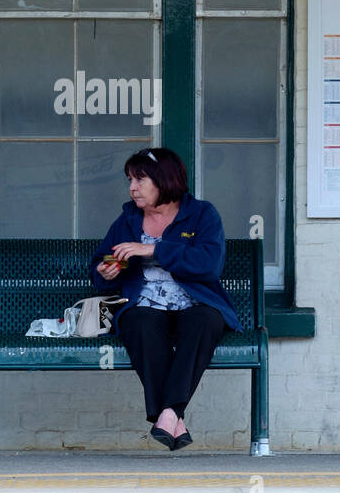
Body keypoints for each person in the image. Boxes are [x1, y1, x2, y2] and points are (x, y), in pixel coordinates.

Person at [90, 147, 243, 451]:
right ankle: (173, 416)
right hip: (145, 307)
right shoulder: (128, 220)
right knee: (138, 321)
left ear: (165, 180)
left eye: (140, 179)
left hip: (194, 304)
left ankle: (168, 413)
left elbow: (209, 264)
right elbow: (103, 264)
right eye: (130, 180)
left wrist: (154, 249)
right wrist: (108, 270)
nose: (132, 188)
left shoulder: (201, 214)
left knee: (204, 320)